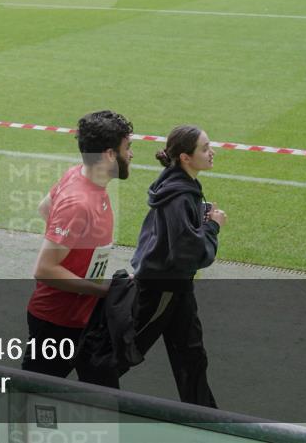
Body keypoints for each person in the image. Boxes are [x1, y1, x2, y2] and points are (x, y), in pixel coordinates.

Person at [23, 110, 133, 382]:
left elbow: (44, 208)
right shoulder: (79, 203)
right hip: (58, 323)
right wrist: (101, 287)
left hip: (86, 315)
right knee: (31, 399)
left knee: (102, 395)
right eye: (127, 147)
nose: (131, 155)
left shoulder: (77, 175)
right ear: (109, 154)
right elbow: (45, 270)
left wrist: (75, 250)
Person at [124, 125, 225, 407]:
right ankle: (86, 389)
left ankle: (206, 416)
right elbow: (190, 252)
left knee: (192, 355)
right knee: (126, 350)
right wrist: (213, 227)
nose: (211, 152)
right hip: (163, 288)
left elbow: (159, 234)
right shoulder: (180, 195)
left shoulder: (176, 187)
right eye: (204, 148)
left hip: (175, 286)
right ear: (185, 157)